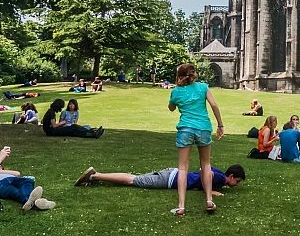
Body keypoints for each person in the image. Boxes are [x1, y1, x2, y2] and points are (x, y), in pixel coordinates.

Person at [167, 62, 225, 217]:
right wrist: (220, 125)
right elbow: (214, 105)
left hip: (185, 129)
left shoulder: (176, 91)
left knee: (183, 168)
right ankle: (208, 200)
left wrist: (178, 89)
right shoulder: (203, 87)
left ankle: (181, 206)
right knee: (206, 164)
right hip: (203, 128)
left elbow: (171, 108)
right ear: (193, 74)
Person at [74, 164, 245, 195]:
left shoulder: (221, 177)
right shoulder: (221, 178)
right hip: (170, 180)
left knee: (134, 178)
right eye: (236, 181)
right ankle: (94, 176)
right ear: (230, 176)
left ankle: (97, 175)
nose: (236, 185)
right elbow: (204, 171)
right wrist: (210, 191)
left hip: (172, 173)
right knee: (132, 181)